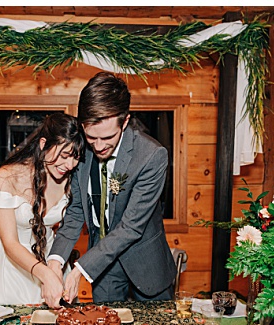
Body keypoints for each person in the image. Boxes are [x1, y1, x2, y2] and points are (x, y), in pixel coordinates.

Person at [47, 71, 177, 305]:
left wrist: (81, 269)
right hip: (104, 267)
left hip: (146, 264)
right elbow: (76, 212)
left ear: (125, 121)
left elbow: (131, 227)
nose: (98, 146)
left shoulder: (151, 156)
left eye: (107, 137)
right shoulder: (82, 151)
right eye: (91, 137)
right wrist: (55, 262)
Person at [0, 113, 85, 306]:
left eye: (76, 157)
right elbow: (10, 243)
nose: (70, 165)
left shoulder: (72, 179)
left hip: (52, 259)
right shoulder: (5, 177)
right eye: (64, 156)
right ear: (43, 144)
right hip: (11, 267)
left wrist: (54, 269)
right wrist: (44, 273)